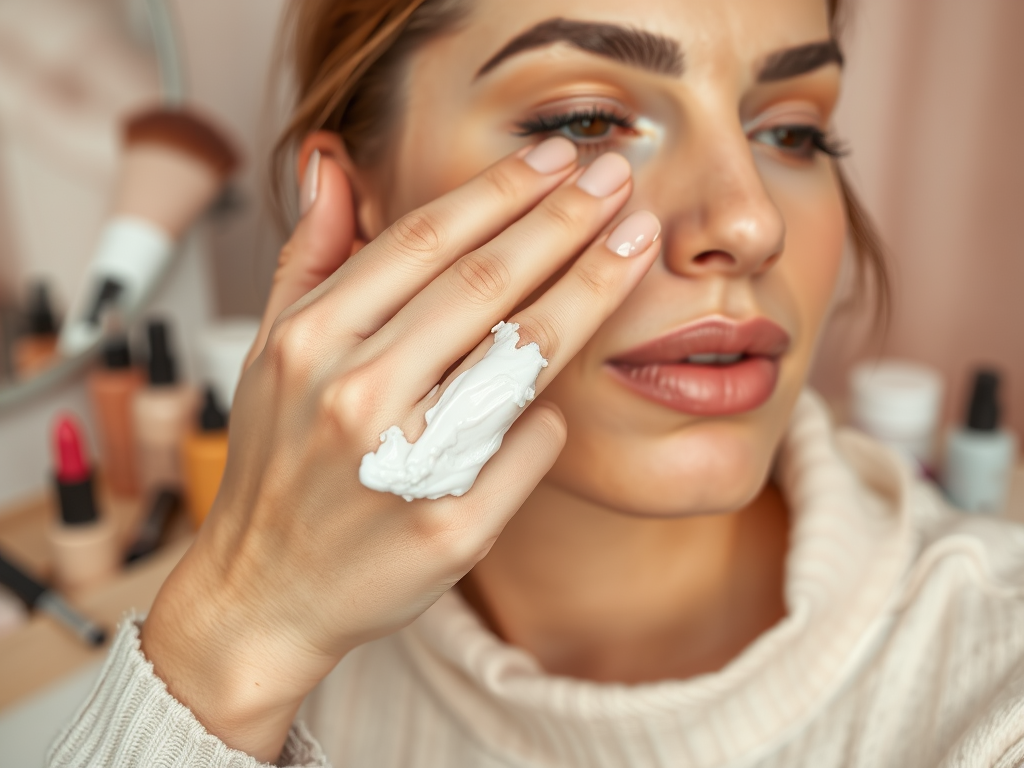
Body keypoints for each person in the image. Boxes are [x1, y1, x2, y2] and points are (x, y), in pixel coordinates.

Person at [50, 0, 1024, 766]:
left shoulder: (994, 688)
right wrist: (236, 634)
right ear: (351, 207)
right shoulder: (284, 646)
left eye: (794, 133)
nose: (749, 221)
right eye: (589, 120)